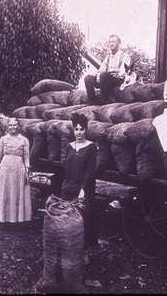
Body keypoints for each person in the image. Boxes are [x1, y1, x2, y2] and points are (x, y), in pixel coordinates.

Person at [61, 113, 98, 264]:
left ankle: (83, 251)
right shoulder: (69, 147)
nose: (79, 132)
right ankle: (68, 249)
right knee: (65, 218)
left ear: (86, 130)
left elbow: (90, 171)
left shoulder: (91, 147)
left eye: (82, 129)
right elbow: (66, 168)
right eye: (76, 129)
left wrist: (83, 190)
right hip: (69, 186)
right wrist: (65, 185)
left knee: (82, 220)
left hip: (83, 188)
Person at [0, 117, 31, 229]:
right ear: (7, 127)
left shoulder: (24, 140)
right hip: (5, 168)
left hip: (19, 169)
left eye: (15, 125)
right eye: (10, 125)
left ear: (18, 126)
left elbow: (27, 157)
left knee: (17, 193)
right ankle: (3, 220)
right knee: (5, 192)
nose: (12, 127)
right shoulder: (3, 139)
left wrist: (27, 172)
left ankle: (18, 220)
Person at [84, 35, 131, 105]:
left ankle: (105, 101)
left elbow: (123, 72)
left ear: (119, 43)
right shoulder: (108, 57)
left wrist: (109, 74)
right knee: (88, 78)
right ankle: (92, 102)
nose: (111, 44)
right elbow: (102, 69)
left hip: (118, 80)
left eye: (113, 42)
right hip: (106, 79)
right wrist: (98, 76)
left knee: (104, 76)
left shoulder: (124, 56)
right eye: (110, 42)